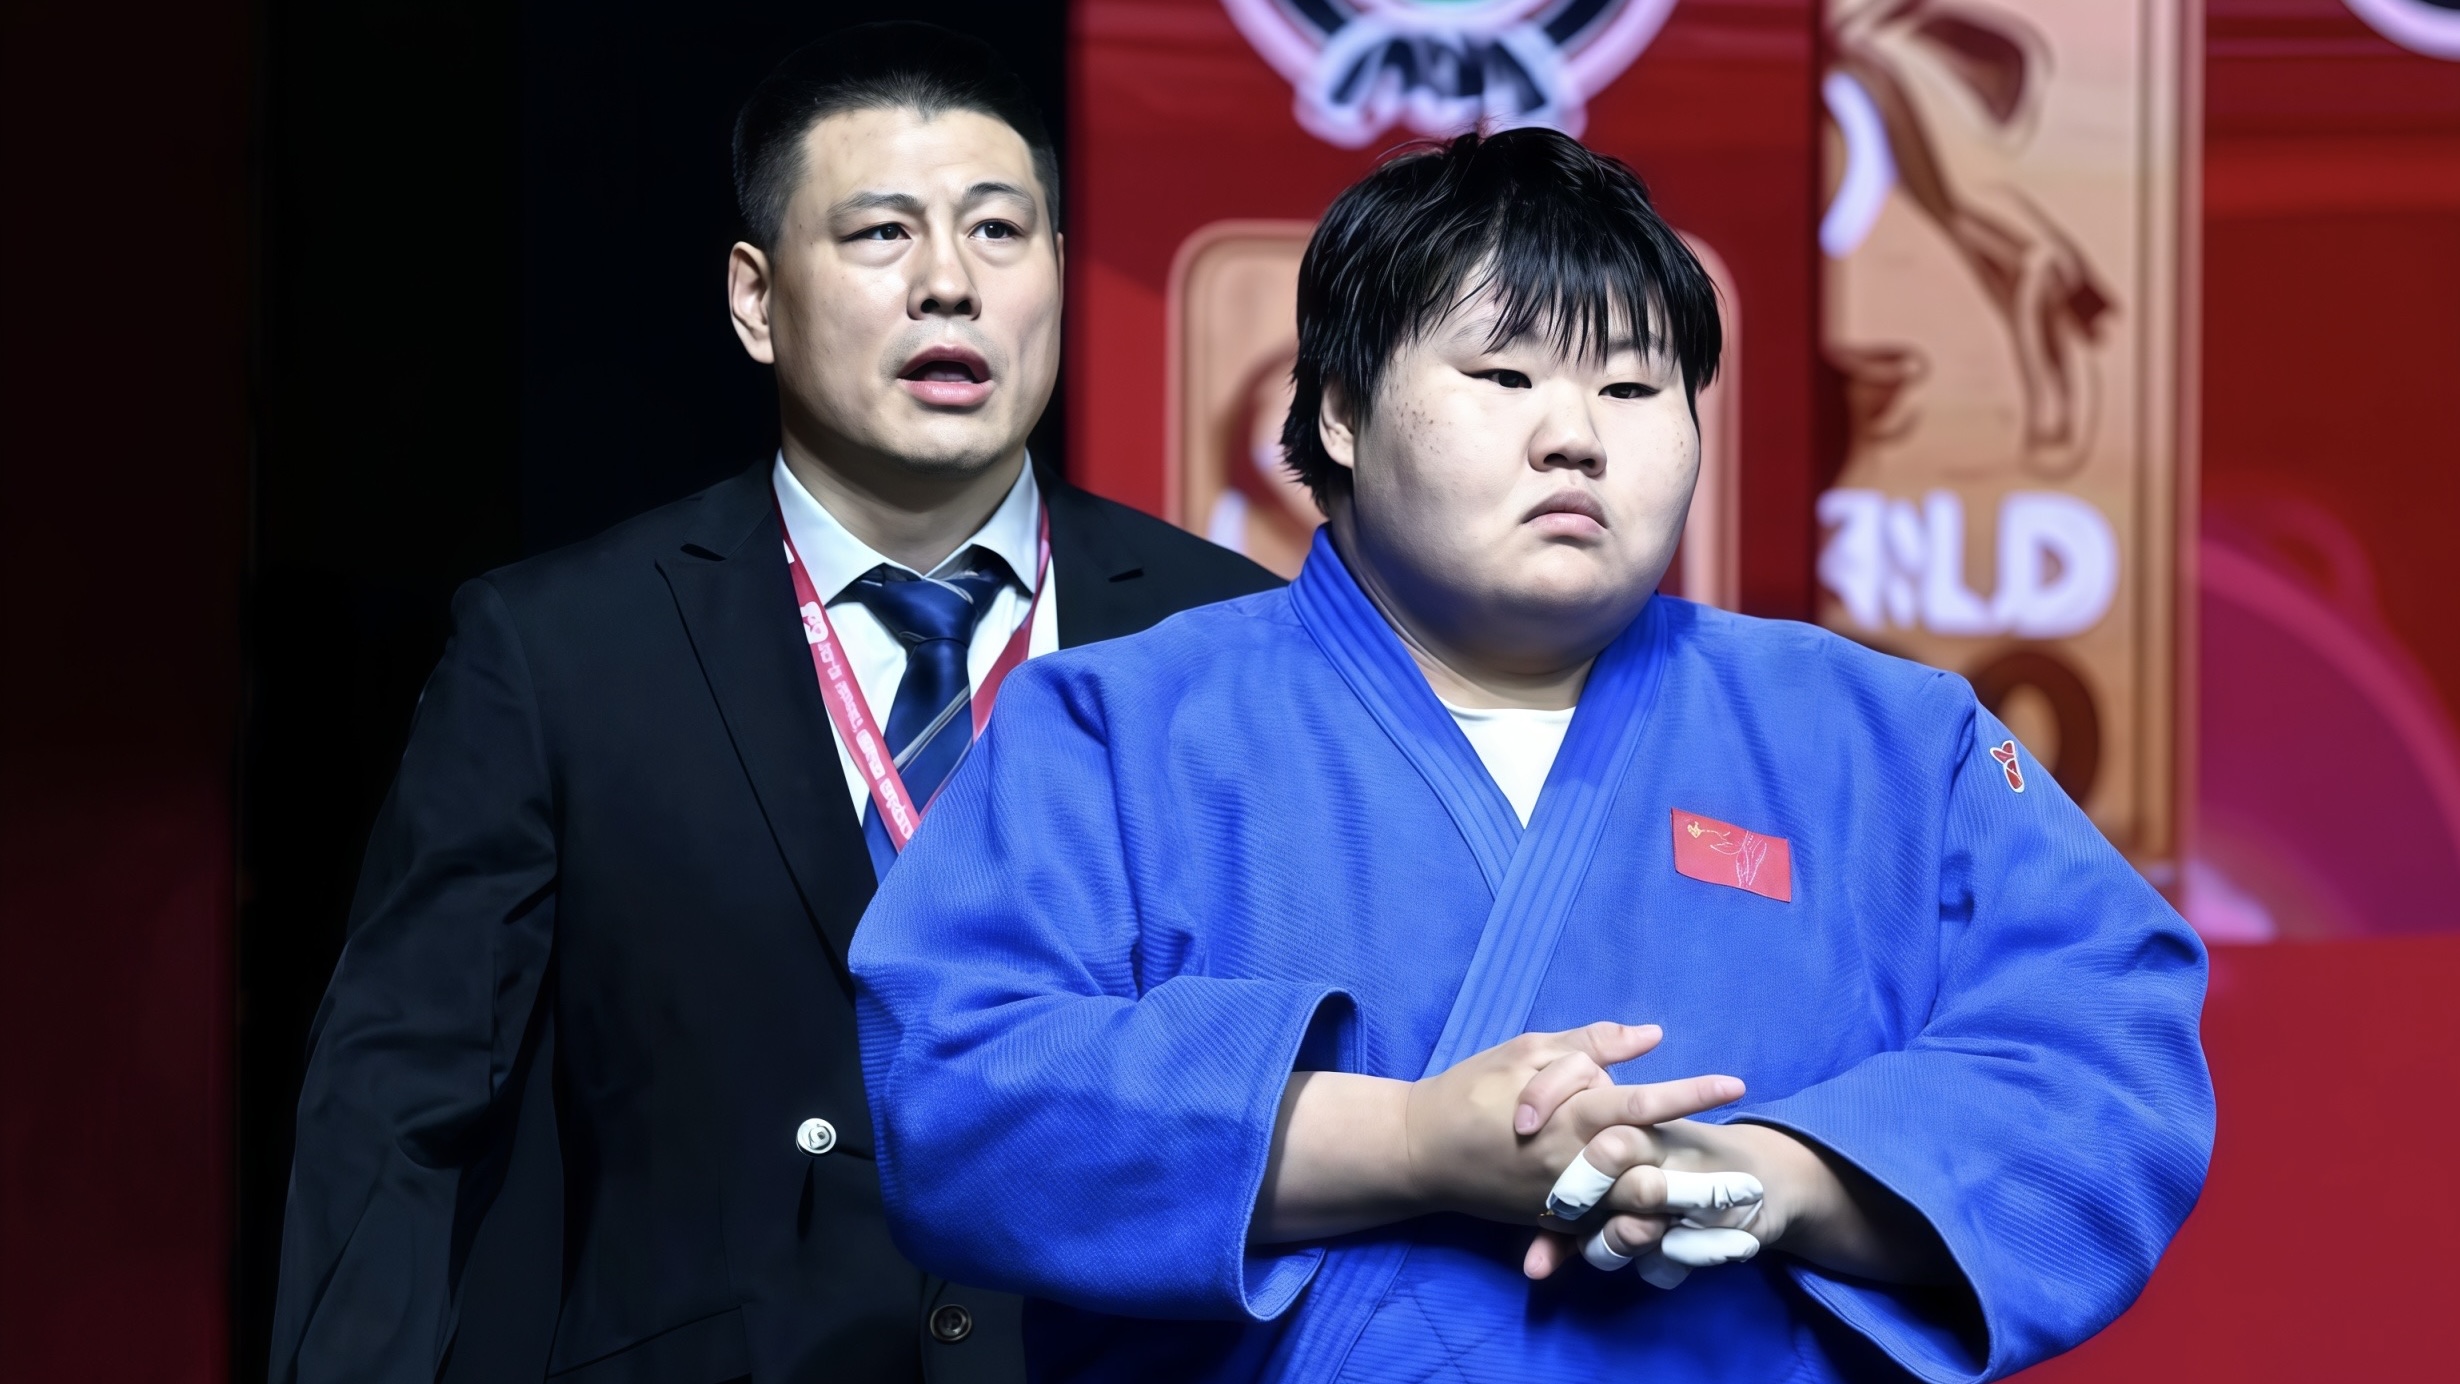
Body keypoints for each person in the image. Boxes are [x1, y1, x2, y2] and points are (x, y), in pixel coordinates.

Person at [850, 127, 2213, 1381]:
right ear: (1337, 409)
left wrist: (1774, 1177)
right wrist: (1409, 1144)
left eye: (1634, 385)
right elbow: (959, 1091)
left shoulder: (1888, 740)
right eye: (1504, 376)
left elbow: (2108, 1067)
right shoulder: (1115, 727)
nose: (1576, 435)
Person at [269, 24, 1275, 1384]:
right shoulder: (562, 647)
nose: (948, 286)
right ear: (755, 298)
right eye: (879, 235)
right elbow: (397, 1104)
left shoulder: (1225, 634)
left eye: (999, 232)